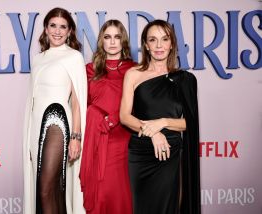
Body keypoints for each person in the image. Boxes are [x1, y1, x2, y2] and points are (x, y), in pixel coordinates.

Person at [120, 19, 201, 214]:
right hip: (140, 153)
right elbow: (124, 116)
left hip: (169, 153)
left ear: (171, 43)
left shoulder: (186, 80)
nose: (159, 46)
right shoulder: (133, 74)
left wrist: (162, 123)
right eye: (153, 40)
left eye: (164, 39)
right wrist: (153, 133)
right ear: (146, 45)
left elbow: (190, 123)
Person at [22, 7, 87, 214]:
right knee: (54, 190)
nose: (57, 31)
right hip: (36, 126)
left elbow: (77, 101)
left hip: (57, 122)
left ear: (70, 32)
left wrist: (76, 136)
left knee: (46, 188)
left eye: (63, 27)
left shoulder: (73, 57)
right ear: (46, 29)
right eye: (53, 25)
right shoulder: (37, 58)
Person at [80, 19, 135, 214]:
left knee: (120, 194)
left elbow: (141, 106)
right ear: (101, 41)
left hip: (123, 139)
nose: (112, 42)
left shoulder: (135, 69)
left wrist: (115, 117)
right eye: (107, 37)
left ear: (124, 41)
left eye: (117, 37)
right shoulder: (89, 69)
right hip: (95, 139)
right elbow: (81, 104)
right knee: (100, 195)